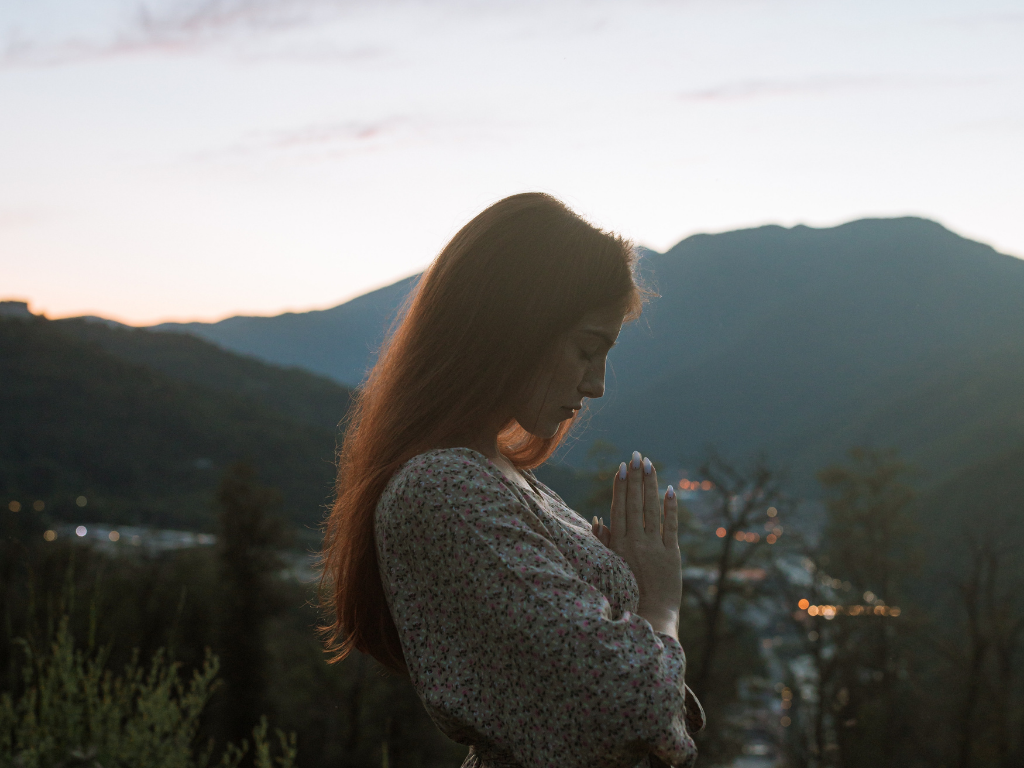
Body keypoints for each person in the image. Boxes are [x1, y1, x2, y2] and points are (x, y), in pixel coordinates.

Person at [321, 193, 704, 768]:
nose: (597, 385)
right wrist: (659, 602)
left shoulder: (500, 480)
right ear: (517, 328)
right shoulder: (441, 489)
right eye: (585, 349)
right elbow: (633, 704)